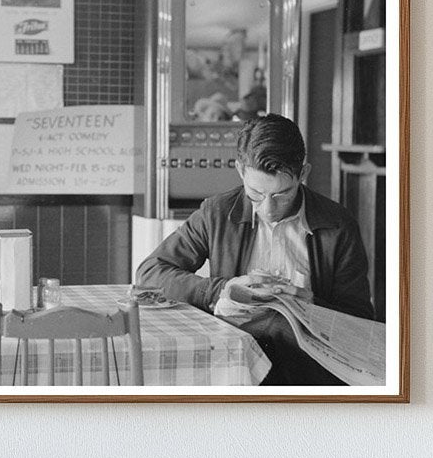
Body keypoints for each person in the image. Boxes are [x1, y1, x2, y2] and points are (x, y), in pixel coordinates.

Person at [134, 115, 373, 385]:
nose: (268, 209)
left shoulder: (338, 225)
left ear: (303, 174)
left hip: (308, 370)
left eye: (282, 194)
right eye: (256, 194)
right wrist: (223, 289)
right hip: (234, 362)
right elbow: (150, 272)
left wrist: (311, 304)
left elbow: (361, 322)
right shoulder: (218, 213)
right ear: (240, 170)